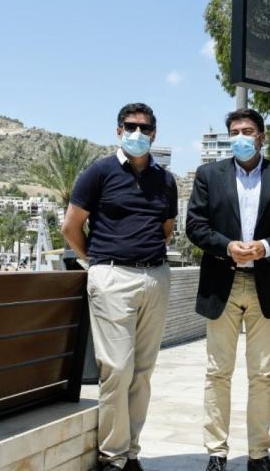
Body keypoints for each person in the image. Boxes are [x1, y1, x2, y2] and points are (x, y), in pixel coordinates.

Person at [186, 108, 270, 471]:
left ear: (261, 136)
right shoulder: (209, 175)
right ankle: (216, 452)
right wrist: (228, 246)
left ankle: (258, 454)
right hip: (222, 282)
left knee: (263, 374)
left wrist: (265, 247)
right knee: (217, 372)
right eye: (235, 131)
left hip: (264, 285)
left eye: (248, 130)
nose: (241, 136)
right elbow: (195, 224)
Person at [61, 102, 178, 471]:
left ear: (155, 134)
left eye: (145, 128)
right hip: (111, 278)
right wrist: (95, 261)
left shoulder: (166, 180)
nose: (138, 134)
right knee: (117, 368)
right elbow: (70, 227)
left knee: (143, 372)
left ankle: (131, 453)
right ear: (118, 131)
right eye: (131, 126)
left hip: (154, 278)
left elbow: (167, 228)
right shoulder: (99, 172)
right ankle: (112, 457)